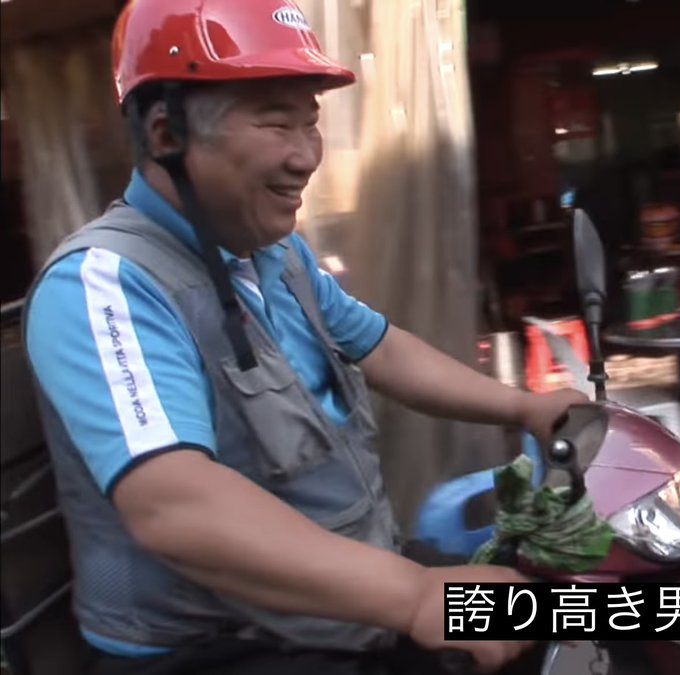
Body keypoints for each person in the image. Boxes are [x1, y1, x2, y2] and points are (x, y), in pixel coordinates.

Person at [21, 1, 586, 673]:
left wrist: (525, 407)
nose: (306, 156)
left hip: (346, 598)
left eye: (310, 121)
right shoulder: (105, 281)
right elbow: (173, 504)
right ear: (167, 132)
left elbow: (381, 347)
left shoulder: (275, 256)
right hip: (214, 648)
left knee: (588, 615)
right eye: (275, 121)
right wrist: (413, 595)